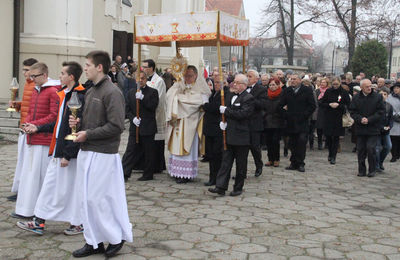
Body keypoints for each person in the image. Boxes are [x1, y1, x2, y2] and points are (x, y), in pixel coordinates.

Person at [69, 50, 132, 257]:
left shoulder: (112, 92)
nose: (84, 68)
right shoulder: (90, 90)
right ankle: (93, 241)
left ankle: (115, 237)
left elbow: (116, 126)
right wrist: (78, 125)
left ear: (99, 67)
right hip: (87, 151)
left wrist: (88, 133)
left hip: (104, 154)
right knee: (85, 199)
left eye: (87, 65)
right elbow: (93, 121)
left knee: (99, 199)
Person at [16, 61, 86, 235]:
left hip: (67, 151)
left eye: (62, 73)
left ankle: (77, 222)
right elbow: (58, 123)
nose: (59, 76)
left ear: (71, 77)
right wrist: (37, 127)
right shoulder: (64, 93)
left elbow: (75, 128)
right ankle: (39, 221)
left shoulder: (78, 96)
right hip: (57, 148)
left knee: (66, 188)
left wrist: (68, 154)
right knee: (52, 186)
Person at [11, 62, 60, 219]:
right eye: (30, 76)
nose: (32, 79)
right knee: (29, 176)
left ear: (44, 75)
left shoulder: (52, 91)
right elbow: (32, 111)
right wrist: (27, 123)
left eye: (34, 76)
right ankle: (25, 209)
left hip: (43, 139)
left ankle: (38, 211)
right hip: (32, 137)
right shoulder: (36, 90)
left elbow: (54, 115)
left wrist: (36, 125)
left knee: (38, 178)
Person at [208, 74, 254, 196]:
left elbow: (242, 114)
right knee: (225, 162)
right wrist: (223, 122)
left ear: (244, 85)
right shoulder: (230, 95)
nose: (234, 84)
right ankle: (220, 186)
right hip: (228, 134)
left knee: (240, 164)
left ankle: (238, 187)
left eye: (237, 83)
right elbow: (225, 112)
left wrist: (226, 111)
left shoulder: (248, 98)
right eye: (234, 82)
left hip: (241, 136)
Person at [166, 65, 211, 183]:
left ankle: (185, 173)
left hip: (191, 124)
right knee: (176, 146)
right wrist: (178, 93)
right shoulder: (179, 85)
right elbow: (169, 96)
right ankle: (175, 171)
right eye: (185, 76)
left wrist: (179, 99)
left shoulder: (201, 89)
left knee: (187, 148)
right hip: (178, 123)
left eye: (190, 76)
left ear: (196, 76)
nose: (187, 78)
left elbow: (195, 103)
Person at [8, 58, 38, 202]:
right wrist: (18, 105)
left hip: (30, 128)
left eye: (27, 70)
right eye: (24, 70)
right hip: (23, 126)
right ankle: (20, 189)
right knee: (21, 162)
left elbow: (36, 108)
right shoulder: (27, 85)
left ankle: (24, 192)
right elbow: (28, 104)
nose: (24, 73)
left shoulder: (36, 85)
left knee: (27, 164)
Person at [122, 71, 159, 181]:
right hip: (135, 127)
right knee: (130, 150)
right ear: (135, 79)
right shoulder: (130, 93)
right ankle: (124, 173)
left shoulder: (153, 92)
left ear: (146, 79)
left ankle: (148, 174)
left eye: (143, 78)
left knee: (149, 152)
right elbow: (127, 109)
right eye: (138, 78)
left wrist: (143, 99)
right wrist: (132, 118)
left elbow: (153, 107)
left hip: (148, 126)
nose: (140, 80)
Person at [279, 73, 316, 172]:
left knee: (301, 142)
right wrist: (285, 114)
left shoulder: (307, 90)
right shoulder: (287, 91)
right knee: (292, 143)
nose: (293, 81)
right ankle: (293, 162)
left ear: (300, 80)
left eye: (295, 79)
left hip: (302, 121)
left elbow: (312, 105)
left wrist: (305, 115)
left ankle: (300, 163)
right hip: (290, 121)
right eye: (291, 79)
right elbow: (280, 105)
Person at [349, 79, 385, 177]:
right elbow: (352, 112)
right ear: (361, 88)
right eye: (367, 86)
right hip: (360, 128)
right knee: (360, 150)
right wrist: (360, 119)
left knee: (371, 149)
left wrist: (369, 119)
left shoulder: (377, 97)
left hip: (373, 128)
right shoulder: (356, 98)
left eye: (370, 86)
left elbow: (381, 111)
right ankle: (361, 170)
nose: (369, 88)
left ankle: (372, 169)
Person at [143, 59, 167, 174]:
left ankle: (158, 165)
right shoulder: (144, 79)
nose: (143, 69)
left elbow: (160, 98)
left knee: (157, 141)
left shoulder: (159, 81)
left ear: (152, 68)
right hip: (145, 115)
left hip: (156, 114)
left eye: (145, 67)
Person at [320, 77, 351, 164]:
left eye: (337, 84)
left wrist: (339, 105)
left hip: (339, 117)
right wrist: (330, 104)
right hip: (329, 117)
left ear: (340, 83)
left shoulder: (344, 92)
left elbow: (348, 105)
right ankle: (330, 153)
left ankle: (334, 156)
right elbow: (322, 103)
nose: (335, 86)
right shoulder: (328, 91)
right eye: (334, 84)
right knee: (329, 137)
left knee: (336, 138)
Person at [202, 77, 224, 186]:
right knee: (210, 155)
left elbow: (215, 108)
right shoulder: (213, 94)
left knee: (217, 155)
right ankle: (212, 177)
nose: (216, 85)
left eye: (218, 82)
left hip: (217, 129)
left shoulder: (223, 95)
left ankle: (217, 178)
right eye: (215, 82)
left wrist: (206, 105)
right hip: (209, 128)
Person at [246, 70, 268, 177]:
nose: (248, 78)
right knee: (242, 149)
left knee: (254, 147)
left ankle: (259, 165)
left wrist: (250, 98)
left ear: (256, 78)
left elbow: (263, 104)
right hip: (243, 122)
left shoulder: (261, 89)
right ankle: (242, 171)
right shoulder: (243, 88)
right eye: (247, 76)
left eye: (250, 76)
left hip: (255, 122)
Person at [263, 77, 284, 167]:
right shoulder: (266, 94)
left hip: (278, 121)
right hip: (267, 121)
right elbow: (263, 106)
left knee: (275, 141)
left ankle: (276, 159)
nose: (272, 87)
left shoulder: (282, 95)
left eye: (274, 85)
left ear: (278, 85)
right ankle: (270, 159)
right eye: (270, 85)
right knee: (268, 141)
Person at [376, 87, 393, 171]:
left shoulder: (389, 106)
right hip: (377, 130)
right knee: (377, 148)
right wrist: (381, 127)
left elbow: (390, 119)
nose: (383, 96)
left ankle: (380, 162)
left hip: (386, 131)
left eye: (385, 94)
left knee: (388, 146)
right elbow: (375, 119)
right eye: (381, 94)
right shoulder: (375, 106)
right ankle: (376, 165)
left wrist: (389, 126)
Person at [387, 83, 400, 162]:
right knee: (393, 139)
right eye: (395, 88)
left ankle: (398, 154)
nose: (396, 89)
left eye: (398, 88)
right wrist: (394, 115)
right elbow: (388, 107)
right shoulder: (389, 97)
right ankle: (394, 155)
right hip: (393, 120)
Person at [315, 78, 330, 150]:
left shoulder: (329, 91)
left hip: (327, 110)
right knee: (319, 128)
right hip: (319, 111)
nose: (322, 84)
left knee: (327, 128)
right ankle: (319, 143)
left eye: (324, 82)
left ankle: (327, 143)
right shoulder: (317, 91)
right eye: (321, 82)